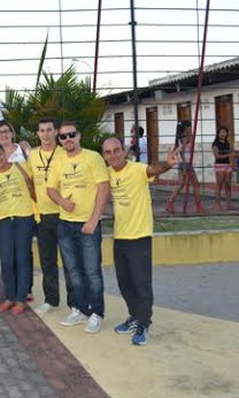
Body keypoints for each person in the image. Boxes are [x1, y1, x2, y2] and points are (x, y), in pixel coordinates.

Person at [101, 137, 179, 346]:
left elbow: (154, 169)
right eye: (108, 152)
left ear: (124, 151)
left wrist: (168, 164)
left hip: (140, 236)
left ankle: (144, 323)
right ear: (104, 156)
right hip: (120, 236)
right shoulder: (107, 173)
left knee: (141, 283)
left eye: (117, 150)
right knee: (125, 283)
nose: (113, 155)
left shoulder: (137, 169)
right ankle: (134, 317)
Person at [47, 122, 110, 334]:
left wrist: (94, 219)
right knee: (73, 271)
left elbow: (103, 188)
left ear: (79, 135)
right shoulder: (57, 161)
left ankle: (97, 313)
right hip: (65, 223)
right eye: (63, 137)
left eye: (71, 135)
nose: (67, 140)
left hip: (88, 223)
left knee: (92, 271)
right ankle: (80, 309)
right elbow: (50, 189)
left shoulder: (93, 158)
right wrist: (62, 203)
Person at [25, 117, 74, 315]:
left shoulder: (65, 153)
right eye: (42, 130)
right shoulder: (33, 155)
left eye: (49, 130)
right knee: (47, 260)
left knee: (70, 260)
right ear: (37, 134)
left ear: (56, 132)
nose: (45, 134)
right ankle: (51, 299)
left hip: (64, 214)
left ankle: (75, 303)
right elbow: (29, 181)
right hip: (43, 216)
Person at [0, 142, 36, 315]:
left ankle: (21, 299)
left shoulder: (20, 167)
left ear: (4, 154)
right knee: (6, 260)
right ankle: (10, 297)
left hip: (24, 217)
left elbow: (33, 186)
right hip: (5, 219)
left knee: (22, 258)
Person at [165, 122, 203, 214]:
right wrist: (184, 164)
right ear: (186, 128)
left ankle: (169, 203)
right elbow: (181, 150)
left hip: (184, 163)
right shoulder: (185, 137)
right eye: (190, 127)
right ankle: (198, 206)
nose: (191, 128)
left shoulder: (182, 137)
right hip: (186, 164)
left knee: (180, 185)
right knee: (196, 184)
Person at [211, 127, 234, 211]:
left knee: (228, 185)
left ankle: (229, 204)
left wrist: (232, 163)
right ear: (218, 133)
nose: (223, 134)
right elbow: (217, 156)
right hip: (219, 165)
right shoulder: (215, 144)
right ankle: (217, 204)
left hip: (228, 165)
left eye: (225, 132)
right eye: (221, 132)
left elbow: (232, 153)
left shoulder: (228, 143)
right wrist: (228, 155)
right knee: (219, 185)